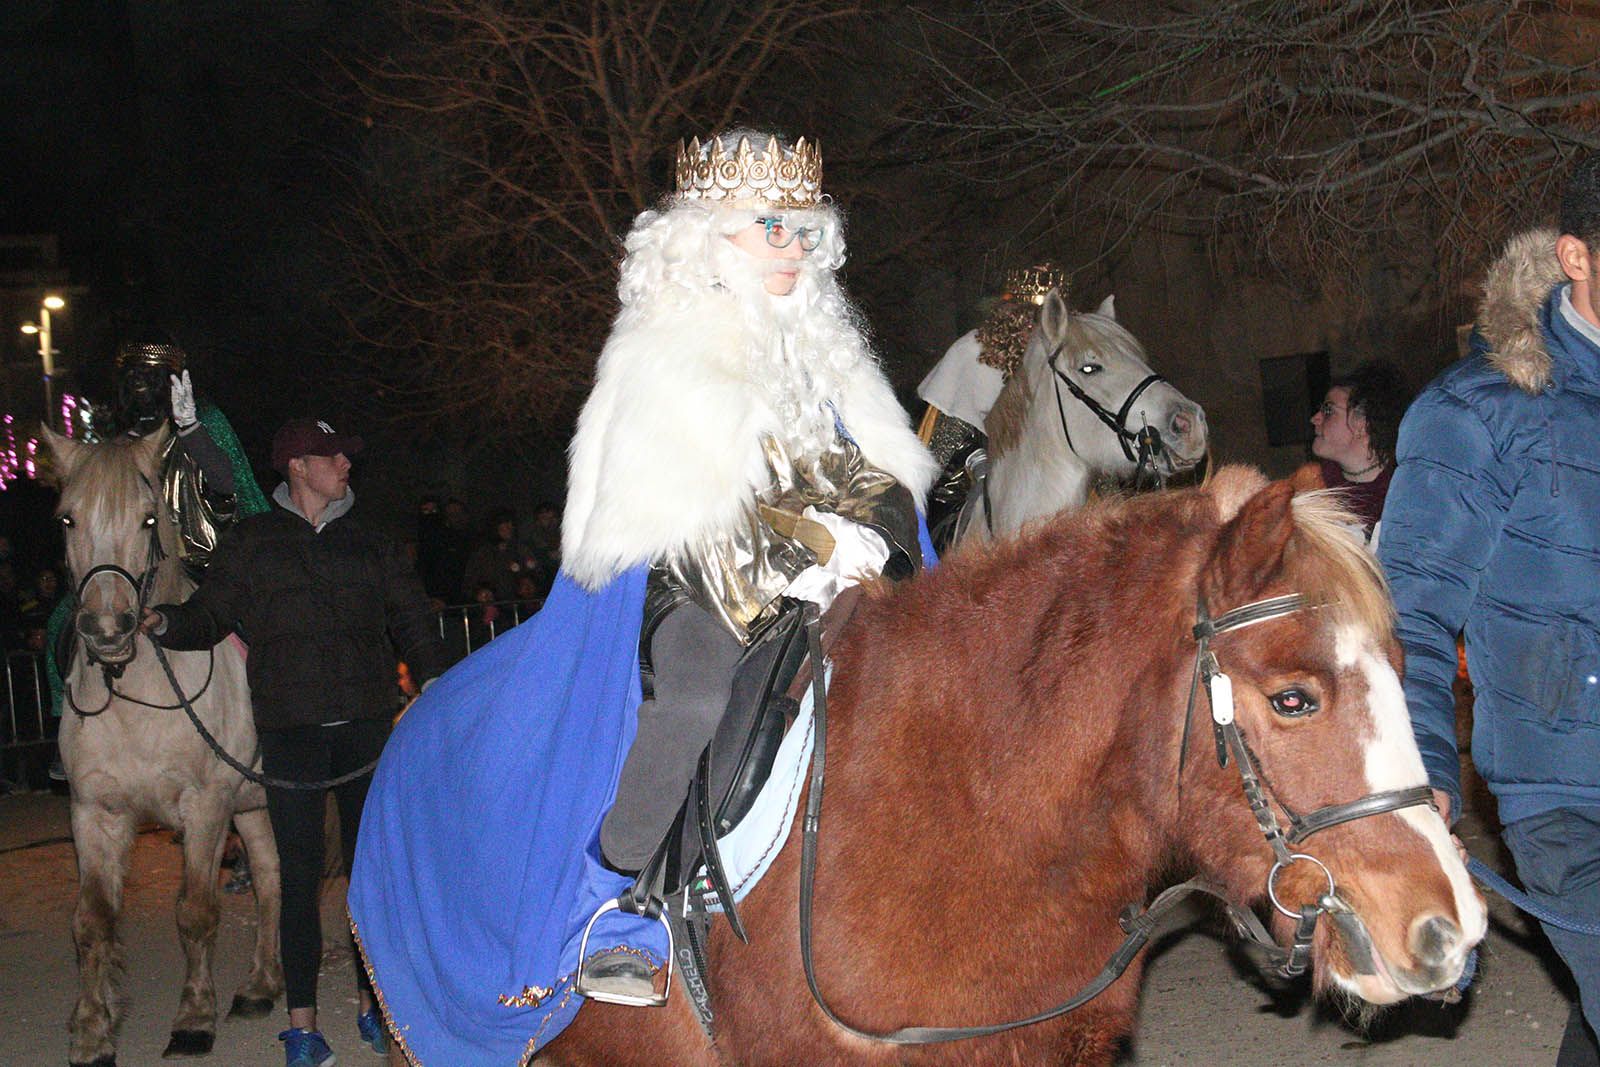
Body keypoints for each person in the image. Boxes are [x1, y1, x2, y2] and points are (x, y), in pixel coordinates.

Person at [348, 129, 936, 1064]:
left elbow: (881, 477)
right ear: (711, 238)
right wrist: (812, 547)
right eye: (768, 227)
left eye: (801, 231)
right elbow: (681, 507)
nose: (790, 248)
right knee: (695, 695)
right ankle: (623, 896)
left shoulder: (829, 359)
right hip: (698, 582)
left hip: (837, 584)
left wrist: (868, 536)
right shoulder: (665, 354)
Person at [1379, 152, 1600, 1066]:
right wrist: (1425, 769)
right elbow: (1412, 611)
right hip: (1569, 796)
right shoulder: (1484, 411)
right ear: (1576, 257)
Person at [142, 417, 448, 1067]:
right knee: (300, 879)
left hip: (367, 729)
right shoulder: (253, 542)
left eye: (344, 455)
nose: (345, 464)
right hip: (291, 736)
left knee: (373, 880)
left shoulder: (371, 540)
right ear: (297, 467)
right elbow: (212, 615)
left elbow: (412, 616)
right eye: (331, 456)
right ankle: (303, 1024)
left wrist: (433, 676)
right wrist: (164, 620)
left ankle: (377, 1007)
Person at [915, 263, 1069, 549]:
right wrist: (978, 462)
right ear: (1014, 319)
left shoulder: (1057, 364)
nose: (1038, 330)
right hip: (963, 483)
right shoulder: (972, 351)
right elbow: (942, 442)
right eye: (1031, 321)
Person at [1295, 359, 1412, 547]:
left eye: (1328, 410)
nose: (1315, 418)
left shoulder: (1407, 491)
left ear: (1362, 424)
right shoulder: (1309, 489)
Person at [461, 506, 538, 603]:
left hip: (520, 605)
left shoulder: (521, 549)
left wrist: (529, 581)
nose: (509, 527)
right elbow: (469, 583)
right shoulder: (482, 553)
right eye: (505, 523)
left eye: (511, 523)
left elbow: (536, 572)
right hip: (493, 607)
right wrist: (480, 592)